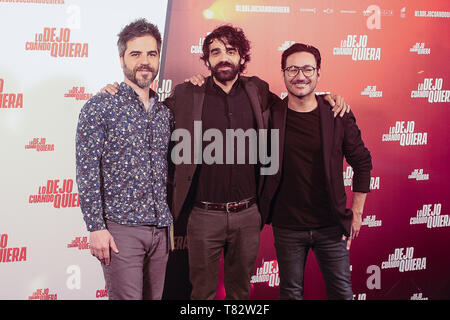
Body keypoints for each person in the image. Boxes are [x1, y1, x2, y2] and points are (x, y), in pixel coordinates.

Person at [101, 24, 349, 300]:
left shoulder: (258, 90)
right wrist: (118, 91)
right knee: (202, 293)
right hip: (203, 216)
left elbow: (295, 103)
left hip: (248, 214)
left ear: (242, 58)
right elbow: (150, 109)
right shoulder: (188, 94)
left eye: (231, 51)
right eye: (215, 52)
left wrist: (328, 98)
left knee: (241, 293)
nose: (223, 57)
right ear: (206, 60)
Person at [260, 43, 372, 300]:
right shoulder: (271, 114)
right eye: (292, 69)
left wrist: (356, 213)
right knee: (291, 294)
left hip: (331, 224)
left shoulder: (336, 113)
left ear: (319, 73)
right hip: (287, 226)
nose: (300, 76)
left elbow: (362, 163)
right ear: (283, 74)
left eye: (308, 69)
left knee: (342, 293)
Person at [75, 18, 173, 300]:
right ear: (121, 59)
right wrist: (95, 227)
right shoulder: (100, 106)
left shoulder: (164, 112)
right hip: (121, 231)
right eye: (136, 54)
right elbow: (87, 170)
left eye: (151, 54)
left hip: (160, 231)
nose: (144, 61)